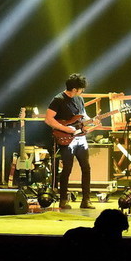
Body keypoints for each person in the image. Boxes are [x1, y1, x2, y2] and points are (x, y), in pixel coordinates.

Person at [45, 73, 95, 210]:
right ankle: (63, 200)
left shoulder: (79, 99)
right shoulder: (58, 99)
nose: (82, 91)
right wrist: (66, 129)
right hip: (66, 139)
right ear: (74, 89)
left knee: (86, 168)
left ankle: (86, 200)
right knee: (67, 169)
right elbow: (48, 119)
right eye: (81, 89)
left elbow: (83, 116)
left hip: (80, 138)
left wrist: (93, 120)